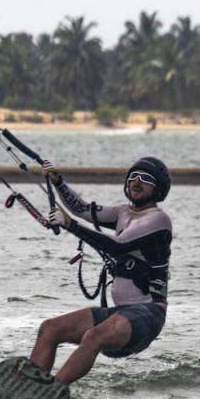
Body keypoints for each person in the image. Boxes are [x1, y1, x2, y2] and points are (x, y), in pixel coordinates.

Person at [30, 157, 173, 385]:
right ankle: (31, 386)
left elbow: (118, 245)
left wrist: (71, 226)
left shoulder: (158, 220)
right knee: (50, 328)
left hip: (147, 315)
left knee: (94, 335)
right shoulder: (121, 213)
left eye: (146, 179)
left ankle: (53, 390)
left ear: (158, 189)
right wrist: (59, 183)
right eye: (133, 176)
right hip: (120, 313)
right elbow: (82, 209)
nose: (137, 182)